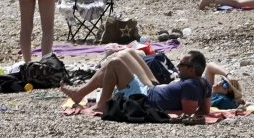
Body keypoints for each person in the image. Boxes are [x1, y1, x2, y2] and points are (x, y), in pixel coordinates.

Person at [60, 50, 213, 117]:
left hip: (143, 97)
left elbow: (188, 113)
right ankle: (79, 93)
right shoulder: (204, 83)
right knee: (129, 53)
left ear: (192, 70)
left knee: (114, 63)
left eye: (181, 65)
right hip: (153, 88)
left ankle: (102, 104)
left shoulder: (190, 86)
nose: (178, 66)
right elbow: (205, 110)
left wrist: (163, 112)